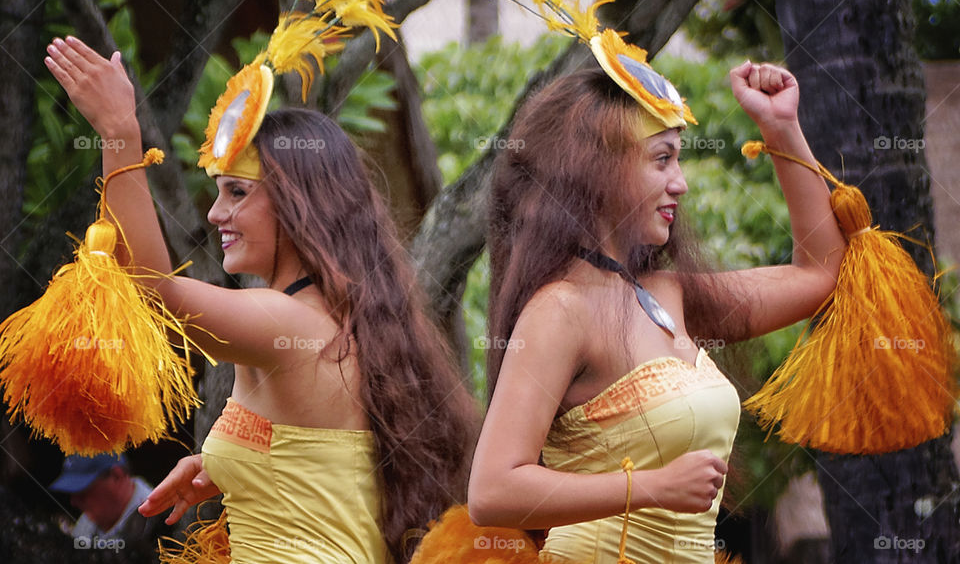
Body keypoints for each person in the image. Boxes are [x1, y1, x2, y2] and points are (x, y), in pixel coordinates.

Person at [44, 35, 477, 564]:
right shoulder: (333, 317)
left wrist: (118, 131)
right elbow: (315, 461)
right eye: (219, 191)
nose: (214, 214)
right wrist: (225, 464)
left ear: (299, 206)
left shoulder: (286, 321)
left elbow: (153, 288)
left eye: (238, 193)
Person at [467, 58, 846, 562]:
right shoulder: (560, 311)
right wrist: (651, 487)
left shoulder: (669, 295)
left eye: (679, 160)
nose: (680, 183)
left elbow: (819, 273)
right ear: (597, 167)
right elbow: (492, 490)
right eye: (662, 159)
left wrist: (780, 128)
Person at [50, 453, 165, 549]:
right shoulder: (86, 523)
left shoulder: (164, 526)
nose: (74, 502)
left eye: (83, 492)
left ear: (117, 476)